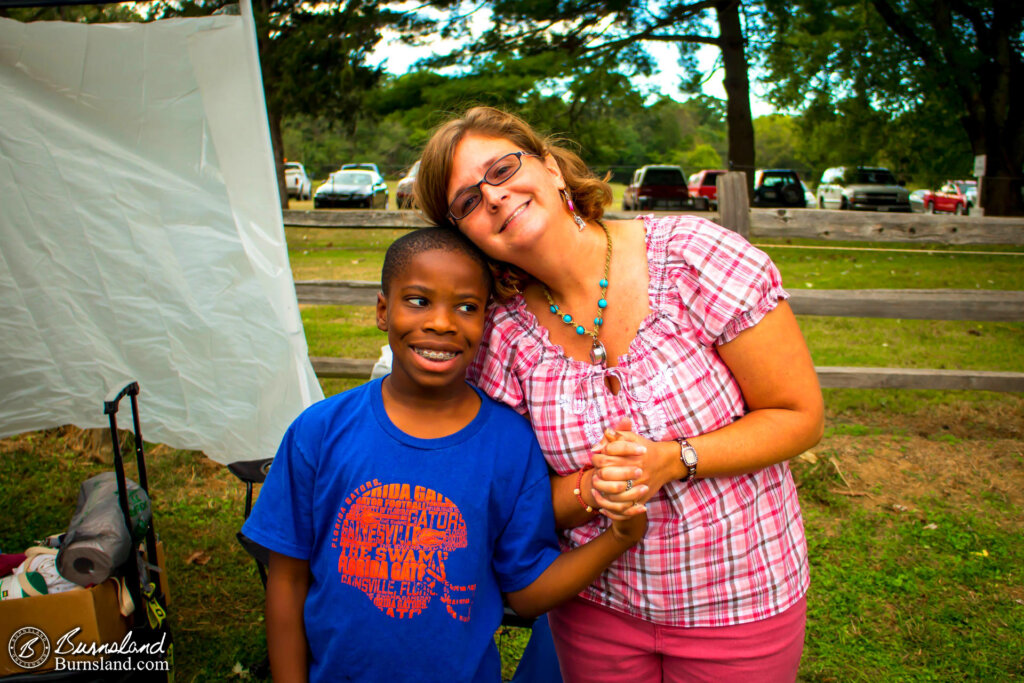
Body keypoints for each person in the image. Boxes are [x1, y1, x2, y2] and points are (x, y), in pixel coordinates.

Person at [413, 106, 825, 682]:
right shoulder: (501, 337)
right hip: (594, 611)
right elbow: (510, 501)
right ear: (465, 235)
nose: (496, 198)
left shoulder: (693, 257)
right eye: (469, 202)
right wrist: (592, 488)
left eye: (503, 170)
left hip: (740, 600)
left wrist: (675, 459)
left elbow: (798, 415)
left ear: (553, 169)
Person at [241, 227, 647, 683]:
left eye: (466, 307)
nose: (441, 322)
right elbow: (287, 579)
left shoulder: (510, 445)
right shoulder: (319, 432)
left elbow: (527, 593)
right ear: (382, 310)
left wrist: (619, 537)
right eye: (417, 301)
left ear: (486, 320)